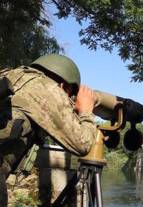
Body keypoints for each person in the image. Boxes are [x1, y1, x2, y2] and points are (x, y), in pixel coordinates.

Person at [0, 54, 98, 205]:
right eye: (69, 95)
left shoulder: (10, 75)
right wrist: (86, 111)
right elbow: (82, 143)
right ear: (63, 86)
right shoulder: (48, 89)